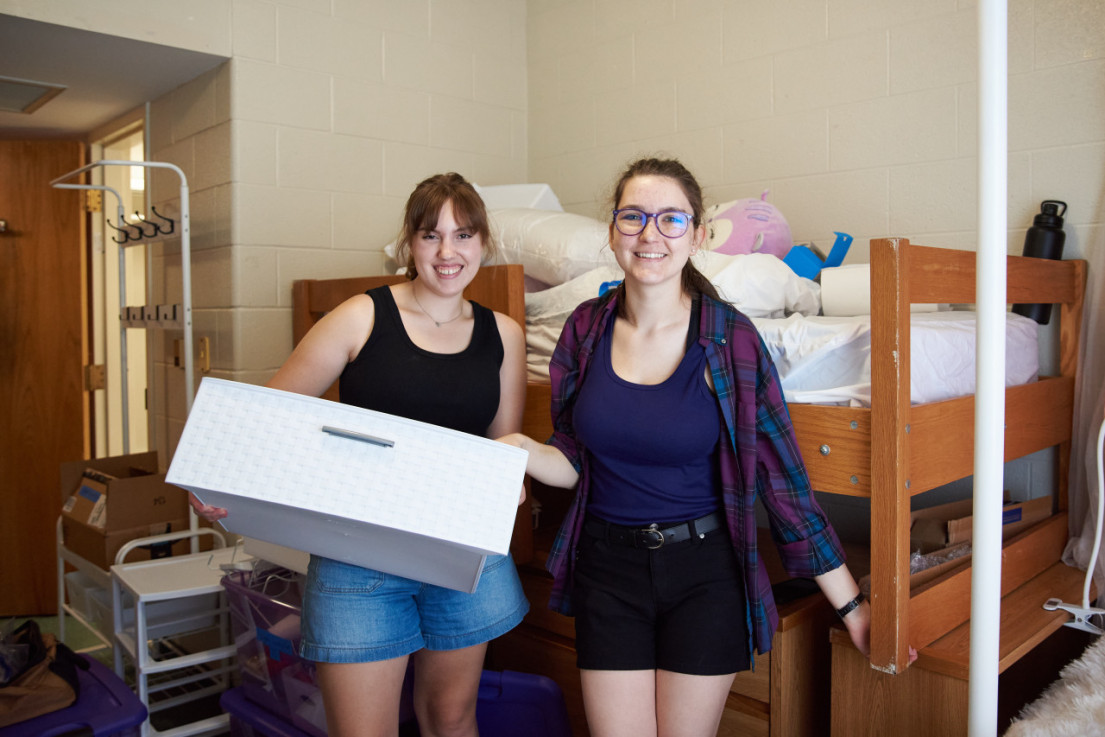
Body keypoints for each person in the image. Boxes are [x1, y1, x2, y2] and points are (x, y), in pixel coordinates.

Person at [497, 157, 873, 737]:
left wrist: (851, 607)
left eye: (671, 219)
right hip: (608, 569)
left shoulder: (731, 339)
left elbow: (783, 483)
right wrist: (519, 447)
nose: (650, 234)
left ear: (697, 235)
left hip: (704, 573)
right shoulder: (584, 329)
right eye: (634, 217)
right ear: (613, 230)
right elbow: (573, 457)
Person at [190, 172, 529, 737]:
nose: (448, 252)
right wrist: (220, 490)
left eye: (464, 235)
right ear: (409, 244)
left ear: (484, 245)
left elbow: (502, 447)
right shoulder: (361, 315)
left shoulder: (506, 334)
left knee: (452, 719)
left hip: (458, 555)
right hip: (359, 563)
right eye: (430, 235)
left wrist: (510, 481)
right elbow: (266, 419)